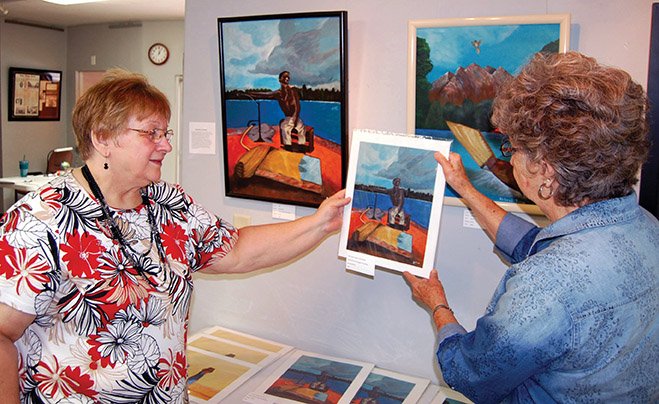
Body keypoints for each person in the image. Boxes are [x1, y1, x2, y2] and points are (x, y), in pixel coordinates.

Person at [0, 69, 350, 403]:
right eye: (151, 133)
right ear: (102, 138)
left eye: (165, 133)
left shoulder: (169, 203)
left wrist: (320, 223)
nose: (166, 145)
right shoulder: (39, 221)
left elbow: (239, 250)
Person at [403, 51, 658, 402]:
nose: (509, 156)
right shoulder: (645, 227)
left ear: (546, 171)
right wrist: (464, 186)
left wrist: (437, 305)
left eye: (513, 147)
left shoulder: (547, 284)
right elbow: (537, 246)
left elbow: (469, 372)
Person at [247, 70, 307, 150]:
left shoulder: (293, 91)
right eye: (284, 76)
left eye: (287, 76)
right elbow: (265, 95)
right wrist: (250, 93)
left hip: (294, 117)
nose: (286, 78)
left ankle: (301, 147)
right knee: (285, 128)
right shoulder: (278, 93)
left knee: (299, 129)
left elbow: (297, 106)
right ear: (279, 80)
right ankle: (288, 148)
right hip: (288, 118)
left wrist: (295, 120)